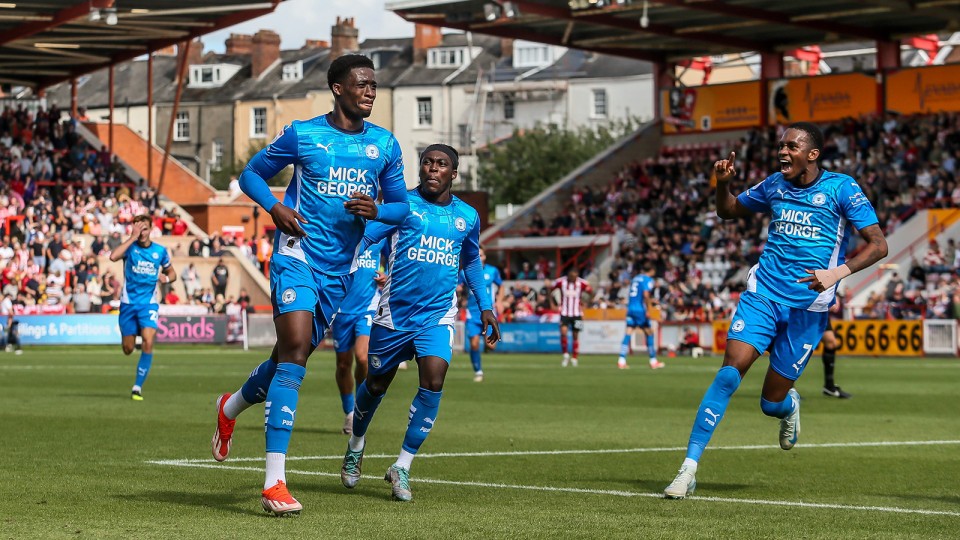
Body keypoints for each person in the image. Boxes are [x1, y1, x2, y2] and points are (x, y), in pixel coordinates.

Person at [209, 54, 409, 517]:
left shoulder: (385, 145)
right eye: (362, 84)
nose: (370, 92)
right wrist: (274, 207)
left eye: (374, 85)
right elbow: (250, 174)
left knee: (284, 358)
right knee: (297, 349)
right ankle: (274, 482)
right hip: (296, 256)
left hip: (341, 271)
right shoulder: (303, 133)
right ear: (338, 88)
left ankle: (230, 405)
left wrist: (377, 211)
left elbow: (402, 209)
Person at [664, 122, 888, 499]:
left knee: (771, 404)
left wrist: (836, 273)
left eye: (792, 146)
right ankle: (688, 469)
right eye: (780, 146)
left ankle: (788, 408)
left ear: (812, 154)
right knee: (727, 377)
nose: (783, 152)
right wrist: (722, 183)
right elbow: (729, 211)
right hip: (763, 294)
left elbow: (878, 245)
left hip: (807, 310)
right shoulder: (774, 185)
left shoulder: (841, 188)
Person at [339, 144, 500, 502]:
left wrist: (485, 305)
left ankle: (403, 465)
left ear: (453, 174)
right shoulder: (402, 206)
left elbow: (471, 260)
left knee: (434, 380)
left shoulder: (467, 217)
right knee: (376, 385)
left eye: (441, 164)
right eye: (427, 162)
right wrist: (343, 262)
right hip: (394, 316)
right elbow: (366, 239)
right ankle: (356, 443)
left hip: (437, 316)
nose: (432, 169)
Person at [109, 214, 177, 401]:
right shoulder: (130, 248)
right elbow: (113, 256)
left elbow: (172, 273)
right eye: (137, 228)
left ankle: (137, 387)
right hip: (128, 304)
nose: (141, 232)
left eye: (144, 228)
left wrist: (166, 278)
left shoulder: (160, 251)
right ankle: (135, 334)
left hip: (148, 304)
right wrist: (132, 237)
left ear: (151, 229)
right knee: (128, 349)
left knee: (148, 340)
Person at [331, 238, 387, 434]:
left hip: (368, 306)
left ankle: (359, 409)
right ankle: (349, 413)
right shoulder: (346, 229)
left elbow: (398, 254)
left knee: (363, 357)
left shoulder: (381, 232)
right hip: (341, 309)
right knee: (343, 364)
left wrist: (388, 275)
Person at [459, 248, 503, 382]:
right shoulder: (464, 272)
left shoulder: (492, 271)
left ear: (485, 257)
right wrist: (458, 290)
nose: (479, 257)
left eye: (481, 255)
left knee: (491, 346)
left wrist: (500, 301)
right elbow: (459, 286)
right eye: (476, 254)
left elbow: (501, 286)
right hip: (472, 313)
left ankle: (486, 343)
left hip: (489, 313)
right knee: (474, 344)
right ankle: (478, 371)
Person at [618, 262, 665, 370]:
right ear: (652, 270)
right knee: (649, 332)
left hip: (630, 308)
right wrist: (649, 309)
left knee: (628, 332)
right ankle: (653, 361)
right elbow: (645, 294)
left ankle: (621, 360)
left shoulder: (635, 278)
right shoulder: (647, 280)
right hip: (640, 310)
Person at [553, 267, 592, 367]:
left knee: (576, 336)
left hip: (577, 314)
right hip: (564, 313)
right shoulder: (561, 282)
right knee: (563, 332)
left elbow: (591, 291)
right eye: (571, 276)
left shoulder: (582, 283)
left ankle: (575, 357)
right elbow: (551, 289)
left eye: (575, 276)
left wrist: (586, 303)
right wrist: (553, 304)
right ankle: (565, 355)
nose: (573, 278)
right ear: (568, 276)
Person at [820, 290, 851, 398]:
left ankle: (829, 386)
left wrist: (833, 296)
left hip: (820, 308)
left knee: (831, 343)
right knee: (797, 345)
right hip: (805, 306)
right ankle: (789, 388)